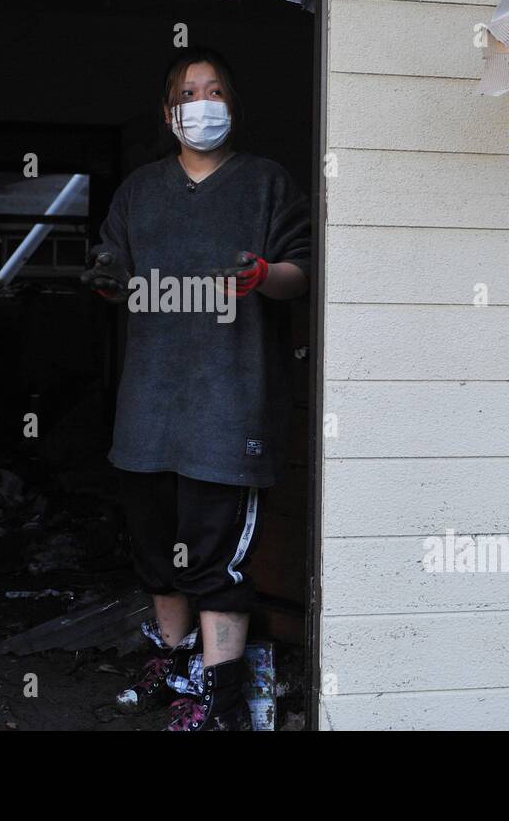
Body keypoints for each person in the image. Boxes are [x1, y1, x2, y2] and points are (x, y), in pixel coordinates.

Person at [81, 47, 310, 731]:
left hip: (227, 406)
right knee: (156, 554)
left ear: (232, 107)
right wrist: (100, 279)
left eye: (214, 91)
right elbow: (111, 269)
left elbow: (302, 271)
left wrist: (266, 274)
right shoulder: (139, 191)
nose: (201, 103)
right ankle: (176, 665)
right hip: (147, 409)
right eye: (188, 92)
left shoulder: (266, 184)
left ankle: (225, 701)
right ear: (169, 111)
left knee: (214, 563)